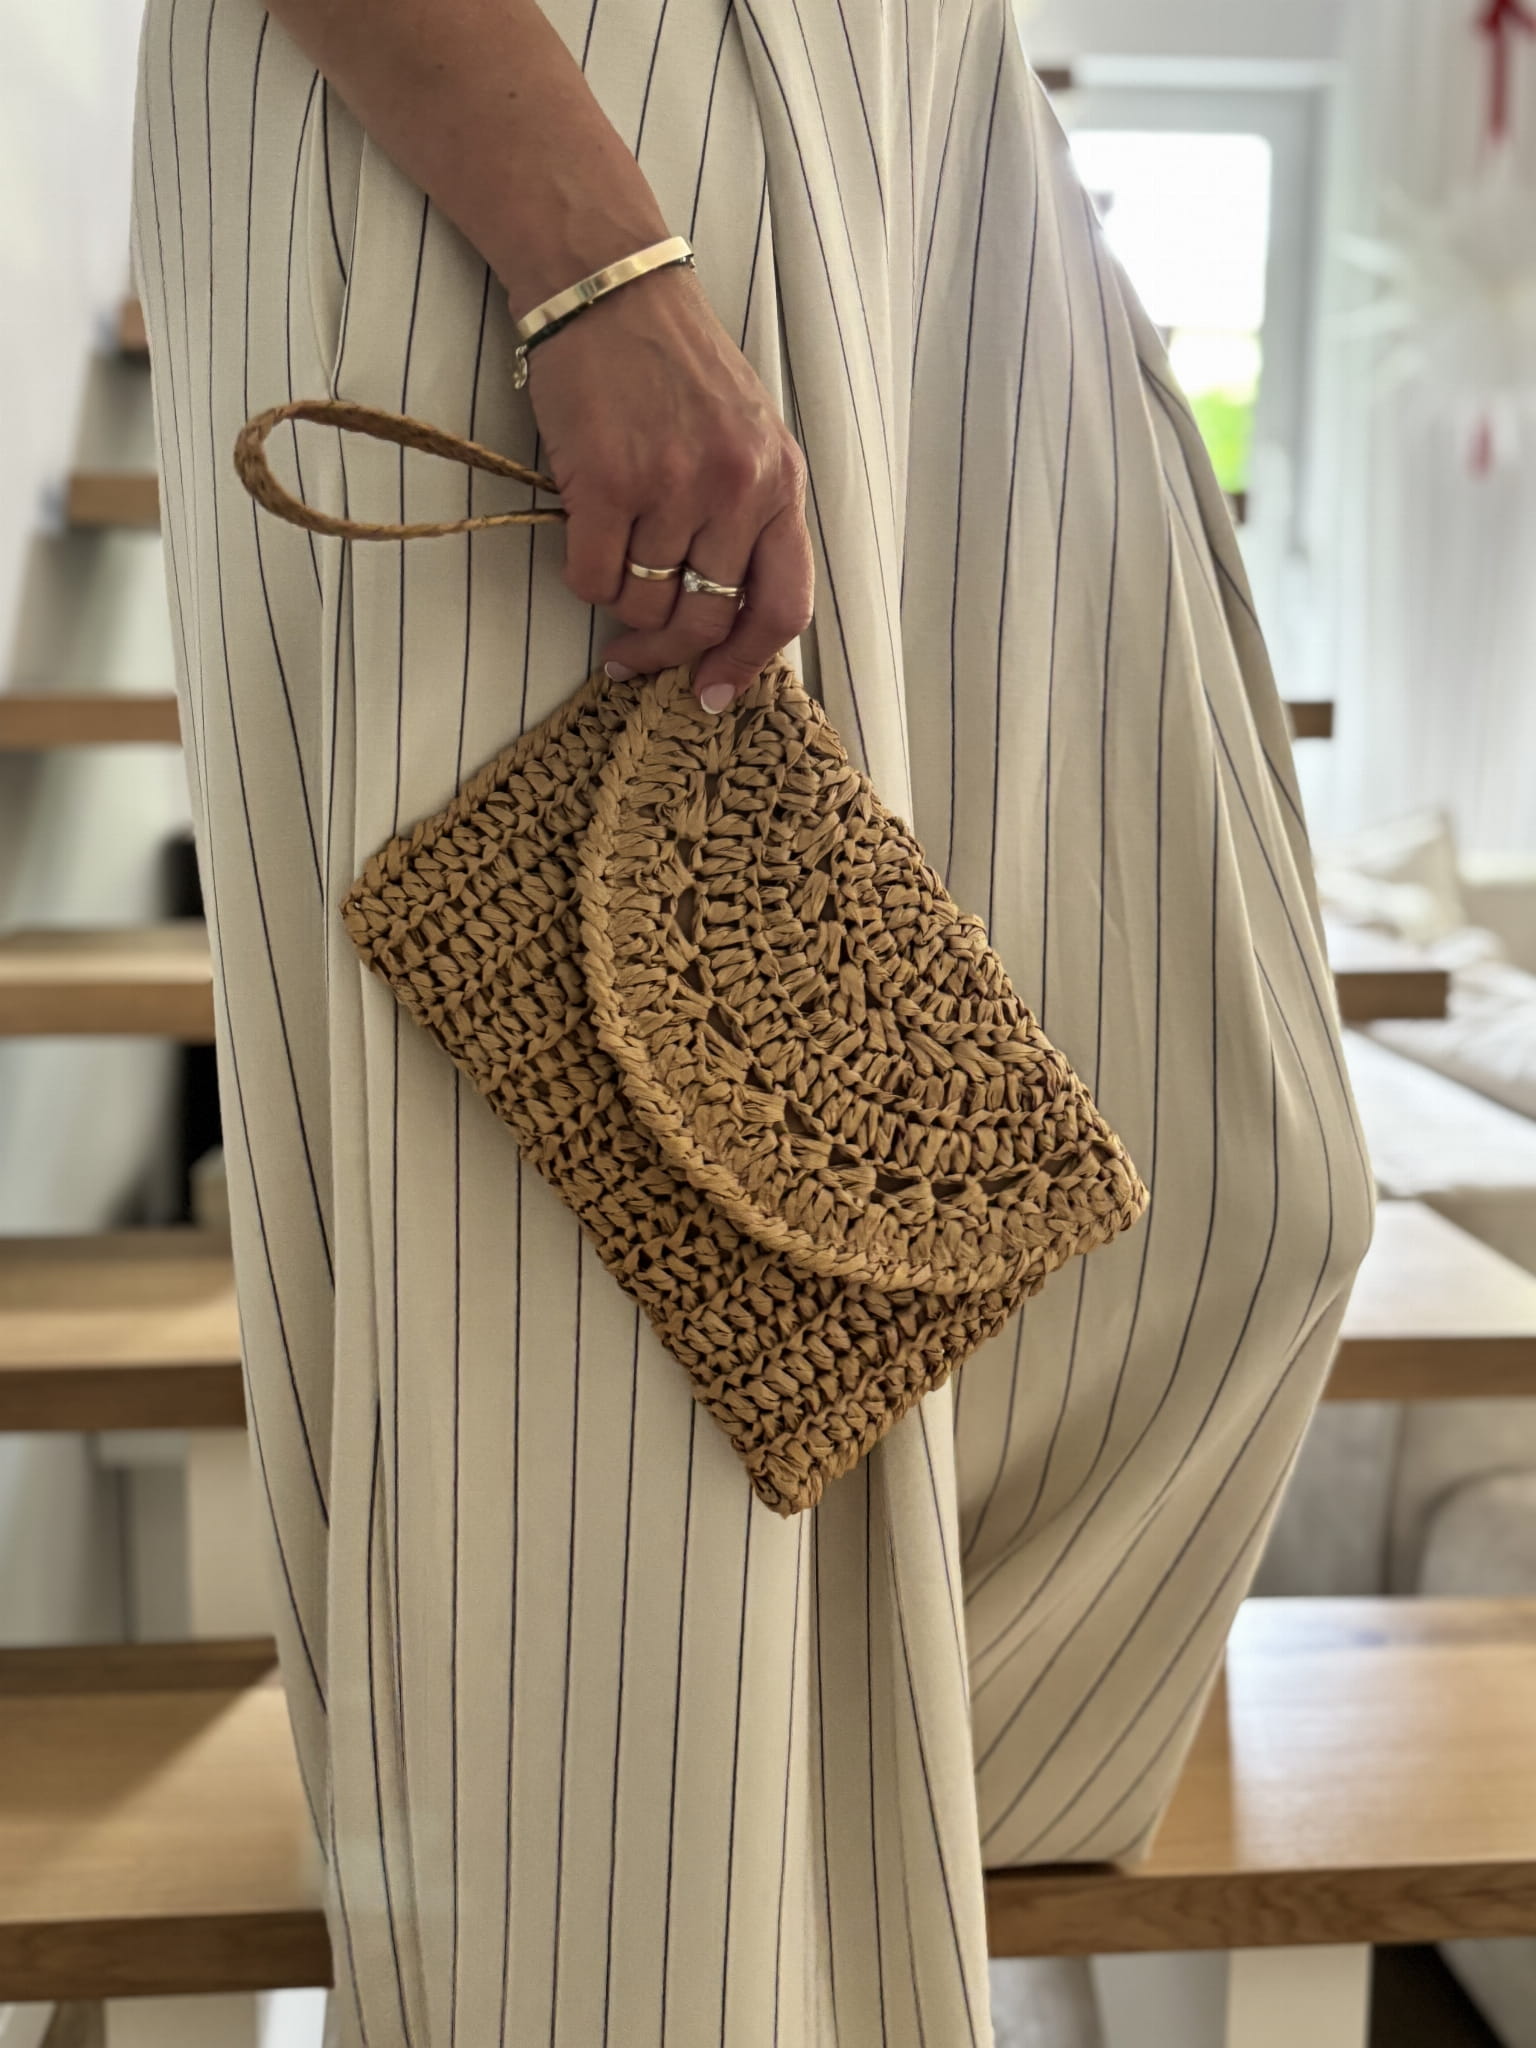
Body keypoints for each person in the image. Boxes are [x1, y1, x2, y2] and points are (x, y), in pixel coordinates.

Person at [130, 2, 1373, 2042]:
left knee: (1257, 1191)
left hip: (922, 134)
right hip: (579, 106)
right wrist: (593, 264)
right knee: (608, 1506)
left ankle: (811, 1883)